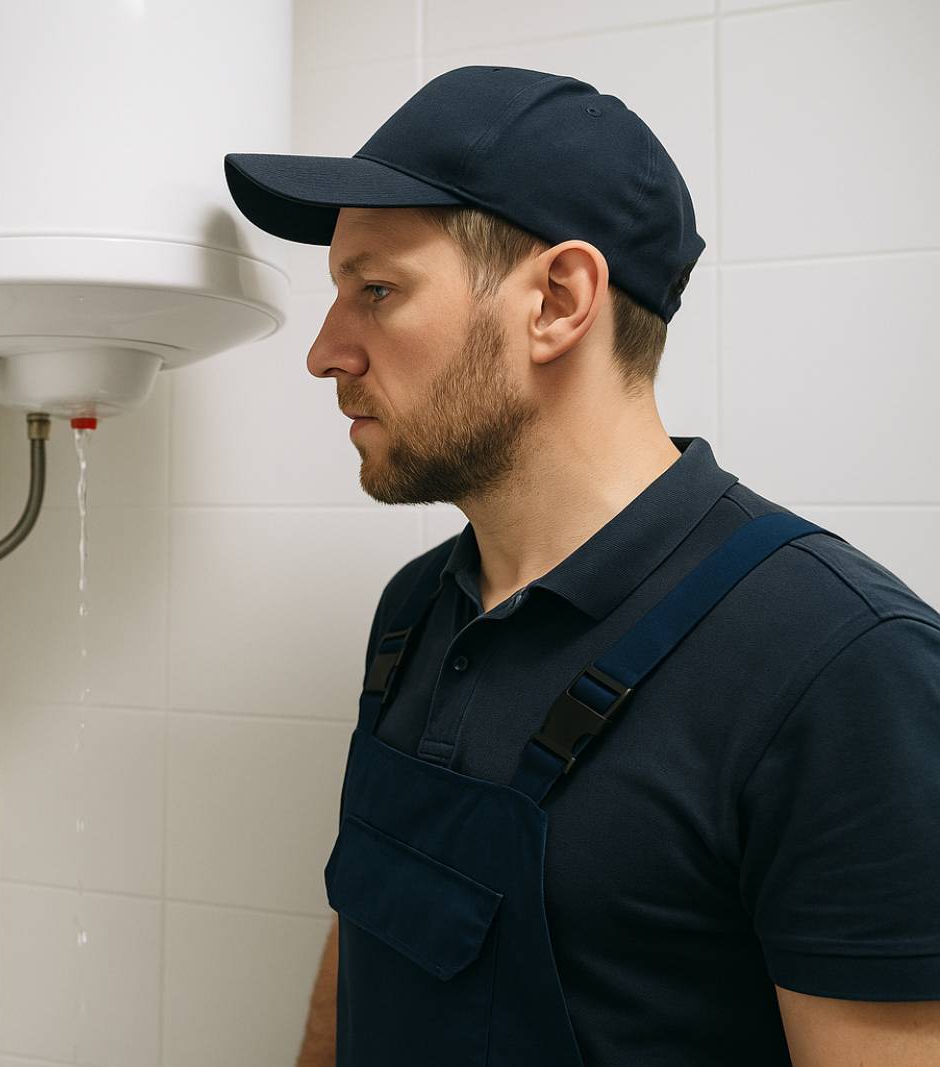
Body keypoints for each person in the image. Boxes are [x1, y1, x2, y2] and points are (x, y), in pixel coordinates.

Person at [223, 66, 940, 1066]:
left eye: (375, 290)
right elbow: (366, 945)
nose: (324, 352)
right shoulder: (415, 611)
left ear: (558, 299)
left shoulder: (840, 668)